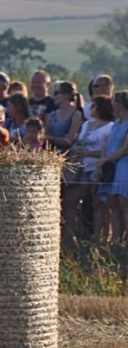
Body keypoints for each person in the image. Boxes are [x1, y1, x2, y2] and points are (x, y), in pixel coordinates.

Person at [64, 96, 114, 239]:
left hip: (98, 169)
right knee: (70, 200)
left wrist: (87, 152)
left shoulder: (110, 127)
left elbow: (107, 150)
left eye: (93, 106)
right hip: (82, 168)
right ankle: (70, 235)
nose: (90, 108)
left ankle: (99, 237)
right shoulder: (87, 125)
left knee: (99, 205)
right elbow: (78, 142)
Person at [96, 91, 128, 242]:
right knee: (113, 203)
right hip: (113, 165)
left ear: (121, 105)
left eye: (115, 102)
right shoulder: (116, 123)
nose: (112, 105)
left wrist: (106, 159)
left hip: (124, 165)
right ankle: (115, 240)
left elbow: (125, 148)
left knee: (124, 203)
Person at [45, 81, 83, 155]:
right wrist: (59, 140)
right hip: (52, 155)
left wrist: (51, 138)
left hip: (68, 156)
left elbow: (69, 140)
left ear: (66, 95)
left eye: (56, 93)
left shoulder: (76, 114)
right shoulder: (52, 114)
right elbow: (44, 135)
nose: (54, 96)